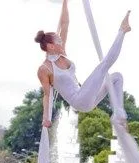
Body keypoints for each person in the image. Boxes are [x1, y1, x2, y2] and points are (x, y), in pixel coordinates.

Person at [35, 0, 131, 128]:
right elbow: (47, 95)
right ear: (51, 47)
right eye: (58, 41)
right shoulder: (44, 69)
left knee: (117, 77)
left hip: (87, 97)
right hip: (79, 101)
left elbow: (65, 24)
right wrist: (45, 118)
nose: (61, 42)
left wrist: (65, 1)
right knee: (104, 66)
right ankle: (122, 30)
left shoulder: (61, 54)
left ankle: (119, 114)